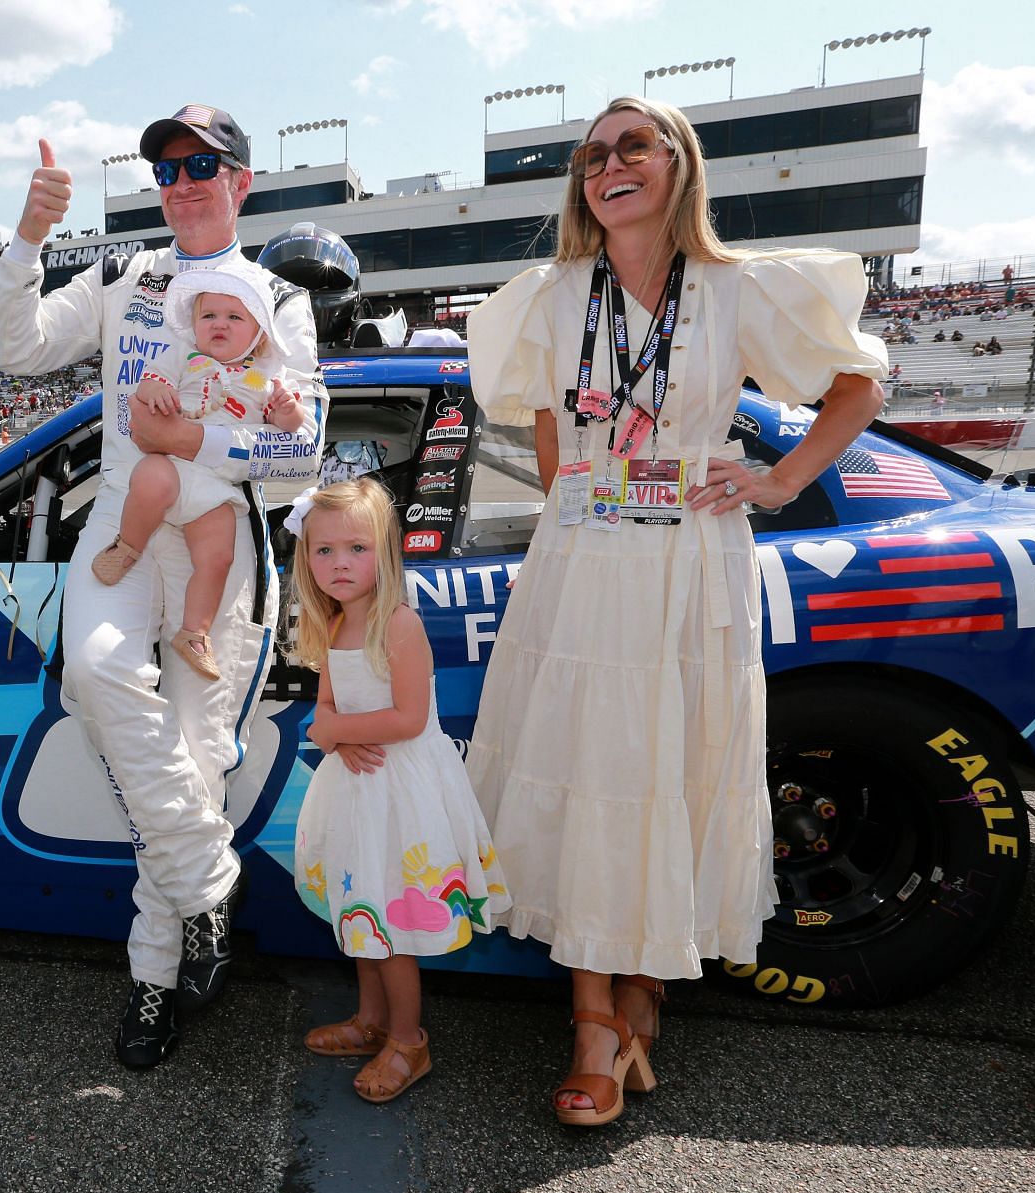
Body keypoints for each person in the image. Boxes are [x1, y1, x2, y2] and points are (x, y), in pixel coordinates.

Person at [465, 94, 887, 1126]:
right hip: (586, 557)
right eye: (592, 153)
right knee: (586, 770)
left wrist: (779, 480)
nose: (608, 165)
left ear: (676, 163)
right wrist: (575, 517)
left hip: (692, 560)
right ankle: (594, 1018)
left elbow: (859, 385)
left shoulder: (742, 291)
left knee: (667, 765)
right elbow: (553, 434)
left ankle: (644, 983)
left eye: (632, 147)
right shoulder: (552, 294)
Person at [0, 105, 327, 1069]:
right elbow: (13, 347)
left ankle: (150, 982)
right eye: (166, 170)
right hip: (123, 529)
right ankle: (210, 881)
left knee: (187, 755)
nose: (180, 183)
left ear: (242, 182)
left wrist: (192, 442)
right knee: (94, 677)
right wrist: (28, 242)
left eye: (201, 165)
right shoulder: (123, 275)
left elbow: (299, 452)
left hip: (219, 539)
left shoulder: (278, 297)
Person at [288, 479, 510, 1104]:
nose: (338, 564)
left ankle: (409, 1039)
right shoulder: (334, 625)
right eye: (323, 550)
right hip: (359, 792)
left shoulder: (399, 624)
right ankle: (371, 1021)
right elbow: (327, 707)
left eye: (355, 548)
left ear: (384, 553)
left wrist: (333, 730)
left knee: (392, 921)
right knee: (364, 908)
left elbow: (409, 718)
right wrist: (329, 731)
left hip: (402, 793)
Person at [102, 263, 308, 680]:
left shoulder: (263, 379)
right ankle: (127, 546)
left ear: (258, 334)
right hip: (174, 467)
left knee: (219, 556)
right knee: (148, 479)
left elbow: (289, 429)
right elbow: (146, 385)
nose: (220, 324)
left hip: (216, 484)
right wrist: (156, 390)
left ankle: (195, 632)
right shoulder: (182, 356)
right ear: (193, 325)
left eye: (235, 318)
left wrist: (288, 412)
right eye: (208, 316)